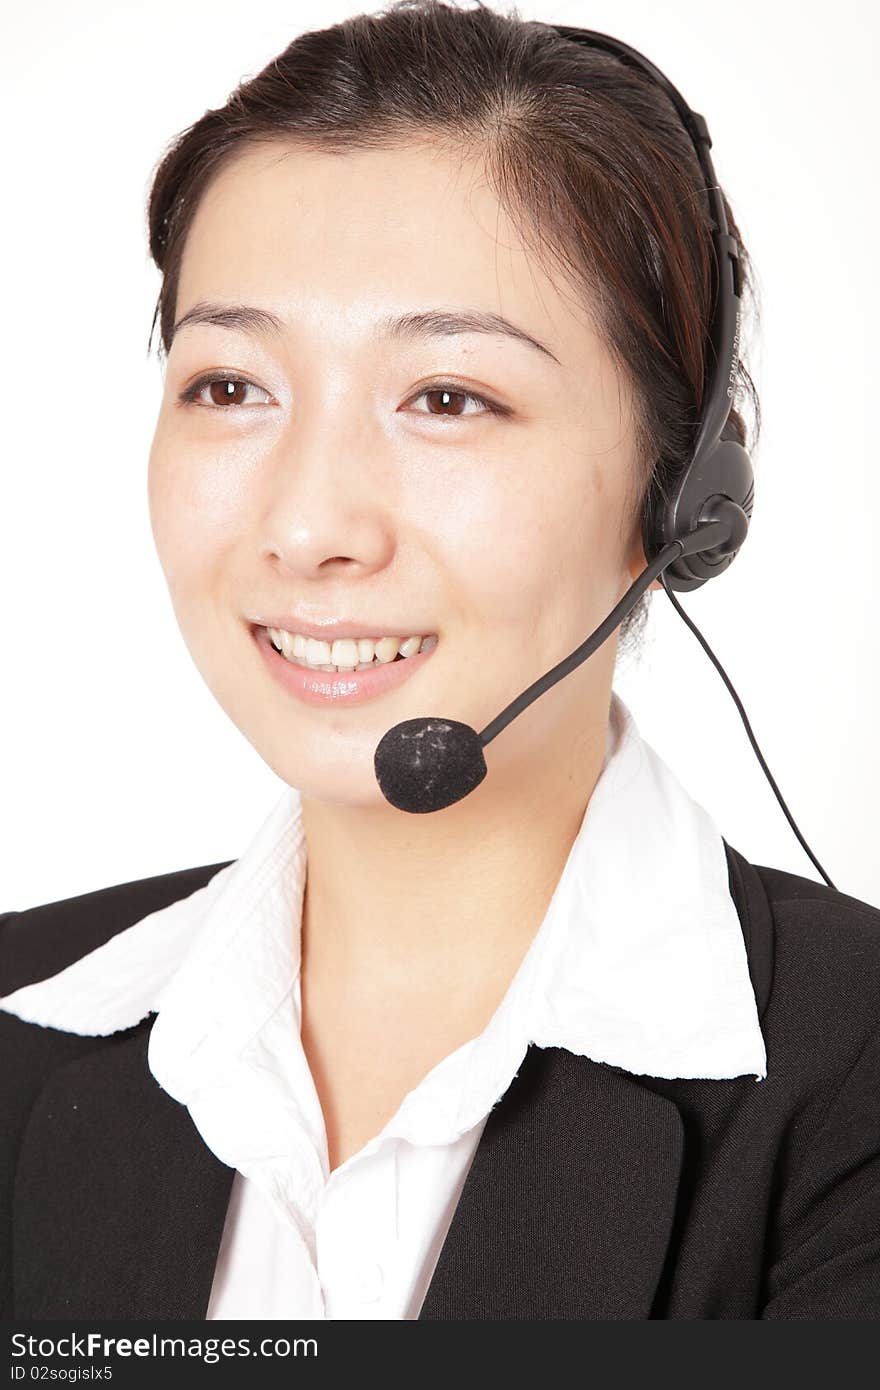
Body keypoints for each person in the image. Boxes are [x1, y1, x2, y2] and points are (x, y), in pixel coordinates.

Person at [1, 0, 878, 1322]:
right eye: (232, 386)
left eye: (448, 397)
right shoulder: (20, 1022)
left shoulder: (849, 1086)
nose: (307, 526)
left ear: (683, 494)